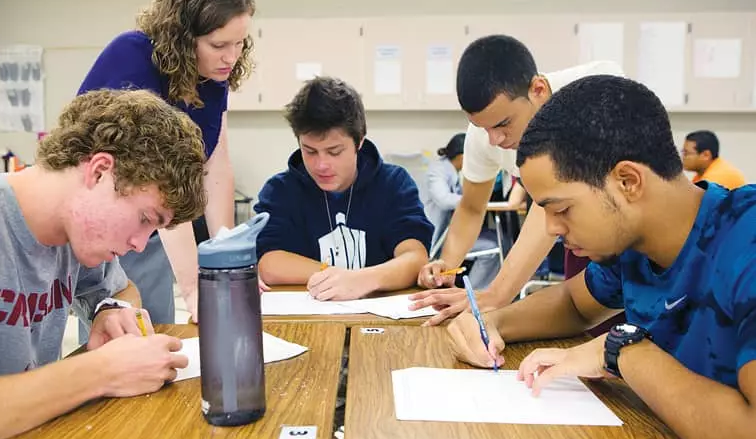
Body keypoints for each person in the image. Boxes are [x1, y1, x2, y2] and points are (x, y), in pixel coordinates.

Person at [448, 75, 756, 439]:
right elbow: (575, 305)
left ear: (628, 181)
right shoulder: (634, 243)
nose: (553, 230)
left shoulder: (745, 240)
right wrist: (491, 323)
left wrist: (623, 351)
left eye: (562, 209)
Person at [0, 89, 207, 439]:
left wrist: (111, 312)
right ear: (99, 171)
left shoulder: (73, 235)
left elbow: (122, 290)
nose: (141, 244)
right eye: (144, 219)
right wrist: (102, 371)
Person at [78, 0, 255, 323]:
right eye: (219, 45)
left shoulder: (212, 75)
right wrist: (193, 286)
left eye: (239, 43)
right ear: (182, 37)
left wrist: (225, 259)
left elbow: (215, 167)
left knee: (157, 328)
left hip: (155, 225)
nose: (231, 57)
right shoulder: (132, 57)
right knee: (126, 332)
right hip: (109, 221)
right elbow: (153, 182)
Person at [411, 35, 624, 325]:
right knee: (581, 329)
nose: (495, 139)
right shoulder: (485, 135)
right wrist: (447, 268)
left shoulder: (597, 90)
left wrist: (497, 294)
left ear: (537, 90)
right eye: (482, 127)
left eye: (503, 124)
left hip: (625, 239)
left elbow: (551, 204)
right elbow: (472, 208)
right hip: (582, 246)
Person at [254, 77, 433, 301]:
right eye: (309, 151)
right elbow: (269, 263)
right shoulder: (280, 191)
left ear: (359, 142)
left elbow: (415, 257)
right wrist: (335, 277)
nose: (321, 165)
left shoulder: (393, 184)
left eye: (334, 151)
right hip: (309, 319)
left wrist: (363, 280)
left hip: (378, 320)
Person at [425, 132, 525, 288]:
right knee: (493, 246)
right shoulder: (438, 170)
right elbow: (445, 200)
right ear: (462, 155)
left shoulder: (455, 170)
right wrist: (475, 199)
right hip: (440, 235)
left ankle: (480, 294)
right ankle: (474, 291)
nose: (494, 140)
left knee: (501, 239)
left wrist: (477, 199)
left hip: (454, 229)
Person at [682, 130, 746, 190]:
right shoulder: (703, 173)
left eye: (686, 153)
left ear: (706, 155)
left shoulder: (716, 178)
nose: (682, 157)